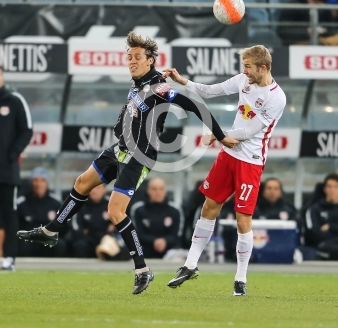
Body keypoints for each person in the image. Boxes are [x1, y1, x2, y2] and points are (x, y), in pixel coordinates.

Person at [17, 31, 238, 295]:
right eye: (129, 57)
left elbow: (194, 106)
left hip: (139, 156)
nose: (131, 61)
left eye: (137, 57)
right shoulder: (136, 83)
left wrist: (221, 136)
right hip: (120, 149)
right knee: (82, 182)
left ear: (151, 60)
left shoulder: (158, 87)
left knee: (115, 211)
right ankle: (52, 231)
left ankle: (142, 270)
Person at [163, 45, 286, 296]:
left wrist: (217, 135)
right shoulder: (244, 81)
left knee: (243, 220)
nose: (244, 71)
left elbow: (249, 132)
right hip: (228, 156)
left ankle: (240, 278)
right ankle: (190, 265)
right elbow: (210, 91)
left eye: (248, 66)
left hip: (250, 161)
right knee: (209, 207)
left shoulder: (276, 97)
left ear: (262, 68)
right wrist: (182, 80)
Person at [0, 65, 33, 271]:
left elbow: (27, 130)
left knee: (9, 213)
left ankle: (9, 257)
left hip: (6, 170)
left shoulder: (14, 100)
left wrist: (12, 154)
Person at [17, 167, 68, 258]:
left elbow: (65, 225)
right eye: (36, 180)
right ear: (31, 183)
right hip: (29, 239)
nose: (39, 184)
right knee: (22, 245)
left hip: (49, 239)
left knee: (60, 245)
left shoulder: (56, 203)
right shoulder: (22, 203)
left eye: (42, 180)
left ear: (47, 183)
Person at [71, 183, 129, 260]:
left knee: (125, 246)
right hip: (88, 240)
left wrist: (110, 234)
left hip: (107, 239)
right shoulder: (80, 204)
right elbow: (76, 228)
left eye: (98, 188)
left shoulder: (112, 204)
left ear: (104, 190)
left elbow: (120, 224)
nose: (94, 191)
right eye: (92, 188)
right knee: (80, 245)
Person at [131, 177, 183, 258]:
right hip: (145, 250)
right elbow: (137, 234)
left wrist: (164, 241)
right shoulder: (138, 210)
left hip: (170, 251)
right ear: (148, 191)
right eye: (154, 189)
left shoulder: (175, 210)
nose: (158, 192)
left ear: (165, 191)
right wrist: (154, 241)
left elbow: (177, 235)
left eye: (161, 189)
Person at [305, 173, 338, 260]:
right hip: (323, 247)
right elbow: (314, 233)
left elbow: (323, 230)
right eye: (329, 186)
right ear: (324, 189)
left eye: (336, 187)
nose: (332, 190)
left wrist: (330, 227)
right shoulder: (315, 209)